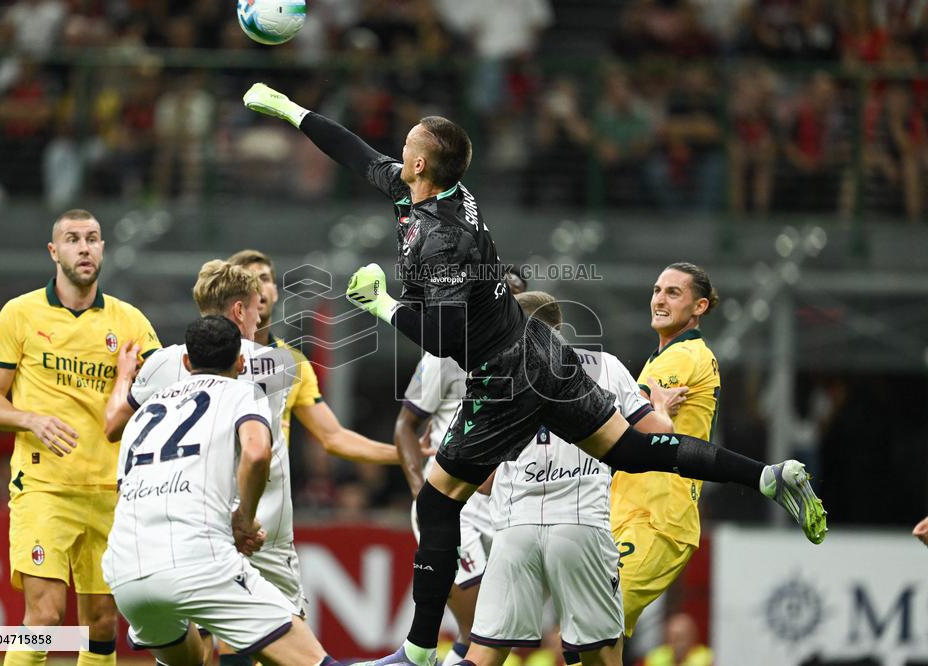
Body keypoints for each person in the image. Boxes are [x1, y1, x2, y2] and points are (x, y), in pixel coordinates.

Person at [243, 82, 827, 666]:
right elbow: (356, 154)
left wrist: (383, 305)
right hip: (543, 352)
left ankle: (419, 651)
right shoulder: (426, 189)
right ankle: (767, 477)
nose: (397, 153)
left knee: (438, 502)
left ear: (420, 164)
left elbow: (446, 340)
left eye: (407, 146)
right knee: (632, 449)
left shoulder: (442, 241)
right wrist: (293, 112)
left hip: (504, 375)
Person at [0, 209, 161, 666]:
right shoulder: (20, 314)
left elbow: (165, 394)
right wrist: (32, 420)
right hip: (45, 488)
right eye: (73, 239)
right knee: (45, 616)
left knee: (101, 622)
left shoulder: (131, 323)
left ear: (102, 248)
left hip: (110, 490)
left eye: (93, 238)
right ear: (53, 251)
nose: (84, 247)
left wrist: (129, 382)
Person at [465, 291, 685, 666]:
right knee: (603, 654)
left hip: (515, 528)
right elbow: (653, 435)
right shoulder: (605, 366)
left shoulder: (494, 376)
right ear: (561, 330)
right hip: (581, 527)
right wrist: (662, 406)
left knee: (484, 654)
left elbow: (483, 483)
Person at [103, 315, 335, 666]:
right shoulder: (243, 391)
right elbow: (257, 454)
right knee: (312, 661)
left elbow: (123, 495)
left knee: (192, 659)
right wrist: (243, 519)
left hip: (127, 573)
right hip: (200, 562)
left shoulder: (142, 414)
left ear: (185, 362)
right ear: (241, 364)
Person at [394, 268, 528, 666]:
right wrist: (424, 494)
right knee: (478, 632)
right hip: (456, 505)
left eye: (521, 296)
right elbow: (405, 426)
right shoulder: (446, 353)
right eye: (508, 295)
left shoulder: (532, 359)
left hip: (504, 505)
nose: (514, 303)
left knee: (494, 637)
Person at [610, 263, 719, 639]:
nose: (659, 299)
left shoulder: (683, 357)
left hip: (658, 518)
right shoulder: (661, 357)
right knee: (596, 637)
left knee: (595, 616)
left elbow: (623, 424)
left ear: (700, 307)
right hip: (630, 511)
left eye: (673, 292)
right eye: (657, 290)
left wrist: (652, 414)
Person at [226, 248, 406, 463]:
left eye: (263, 279)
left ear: (275, 291)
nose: (257, 287)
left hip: (271, 495)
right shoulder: (207, 354)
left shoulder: (293, 363)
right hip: (213, 494)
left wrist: (409, 454)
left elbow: (333, 437)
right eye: (247, 280)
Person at [642, 614, 713, 666]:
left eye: (681, 638)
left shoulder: (706, 658)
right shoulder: (654, 657)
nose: (677, 644)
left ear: (693, 637)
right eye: (672, 638)